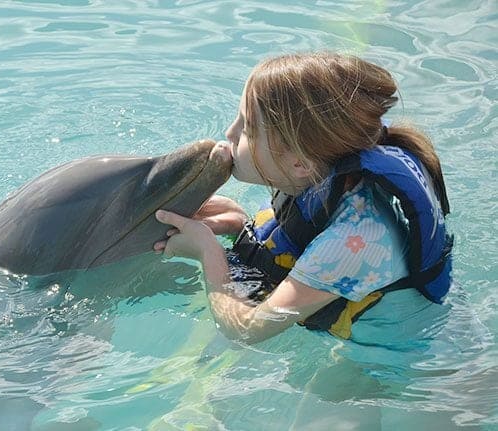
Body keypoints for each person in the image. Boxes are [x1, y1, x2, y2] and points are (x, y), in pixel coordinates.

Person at [153, 52, 453, 345]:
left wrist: (207, 252)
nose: (230, 132)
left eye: (248, 128)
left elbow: (246, 330)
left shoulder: (353, 239)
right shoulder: (322, 178)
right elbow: (300, 241)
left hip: (397, 365)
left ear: (299, 163)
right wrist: (239, 223)